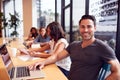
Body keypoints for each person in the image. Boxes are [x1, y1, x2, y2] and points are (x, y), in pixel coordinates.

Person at [29, 15, 120, 80]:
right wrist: (42, 62)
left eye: (89, 27)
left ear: (95, 28)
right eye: (82, 27)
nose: (85, 30)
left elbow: (117, 72)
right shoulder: (74, 45)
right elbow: (56, 56)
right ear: (79, 28)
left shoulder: (102, 47)